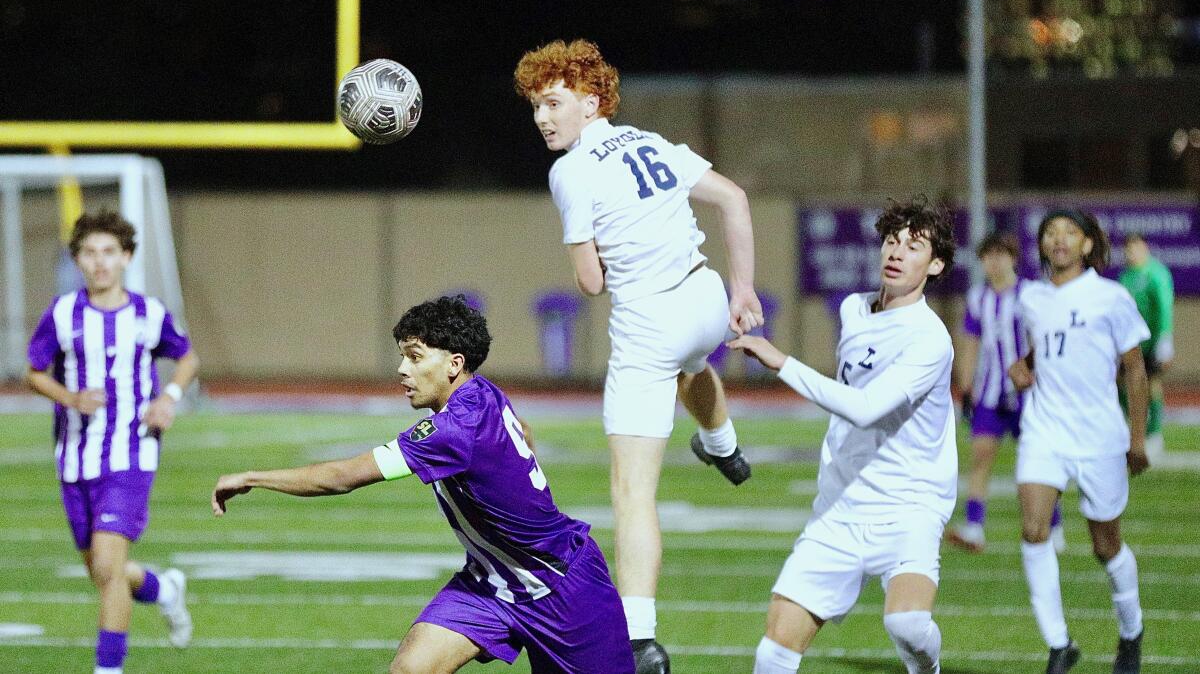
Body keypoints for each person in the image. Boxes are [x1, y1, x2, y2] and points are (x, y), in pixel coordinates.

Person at [211, 296, 635, 674]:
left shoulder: (452, 430)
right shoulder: (482, 391)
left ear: (453, 363)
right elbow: (522, 430)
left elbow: (342, 479)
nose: (402, 369)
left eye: (415, 357)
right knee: (412, 668)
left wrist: (252, 477)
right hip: (490, 584)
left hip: (563, 589)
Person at [513, 38, 764, 672]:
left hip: (649, 325)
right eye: (535, 107)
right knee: (694, 365)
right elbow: (734, 199)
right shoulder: (651, 140)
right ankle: (724, 441)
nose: (543, 118)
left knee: (631, 493)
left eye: (553, 103)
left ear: (591, 103)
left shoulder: (568, 171)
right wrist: (743, 289)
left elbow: (592, 283)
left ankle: (642, 637)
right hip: (705, 299)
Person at [729, 197, 956, 674]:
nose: (897, 253)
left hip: (909, 503)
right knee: (774, 651)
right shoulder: (854, 310)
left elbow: (868, 409)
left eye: (914, 247)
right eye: (892, 242)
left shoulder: (930, 339)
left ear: (935, 264)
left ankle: (926, 668)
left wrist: (781, 362)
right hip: (841, 505)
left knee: (908, 625)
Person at [25, 210, 199, 674]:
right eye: (89, 253)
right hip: (74, 458)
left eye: (108, 252)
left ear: (125, 257)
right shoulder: (62, 313)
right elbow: (34, 373)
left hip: (130, 454)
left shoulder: (148, 314)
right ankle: (163, 590)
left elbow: (187, 358)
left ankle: (108, 669)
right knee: (104, 572)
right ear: (77, 260)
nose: (99, 262)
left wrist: (169, 396)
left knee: (106, 567)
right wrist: (70, 397)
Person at [1008, 210, 1149, 674]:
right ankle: (1058, 644)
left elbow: (1133, 368)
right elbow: (1045, 347)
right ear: (1043, 245)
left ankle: (1131, 633)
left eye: (1070, 232)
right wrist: (1023, 365)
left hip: (1099, 436)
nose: (1059, 239)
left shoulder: (1111, 297)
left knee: (1105, 544)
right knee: (1033, 530)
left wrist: (1137, 439)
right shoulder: (1031, 297)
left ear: (1087, 245)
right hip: (1044, 430)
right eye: (1051, 232)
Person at [947, 232, 1064, 554]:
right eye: (988, 255)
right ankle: (974, 527)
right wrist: (966, 386)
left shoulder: (1030, 294)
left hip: (1028, 395)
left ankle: (1053, 525)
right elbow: (971, 344)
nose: (994, 262)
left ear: (1013, 258)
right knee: (980, 457)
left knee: (1037, 463)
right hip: (989, 393)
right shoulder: (977, 298)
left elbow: (1046, 339)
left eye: (1000, 254)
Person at [1118, 233, 1174, 465]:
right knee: (1122, 382)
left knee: (1152, 384)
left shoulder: (1156, 273)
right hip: (1130, 342)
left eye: (1136, 249)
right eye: (1128, 250)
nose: (1132, 254)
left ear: (1145, 248)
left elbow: (1164, 306)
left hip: (1151, 341)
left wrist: (1165, 337)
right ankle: (1131, 423)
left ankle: (1154, 433)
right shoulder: (1126, 276)